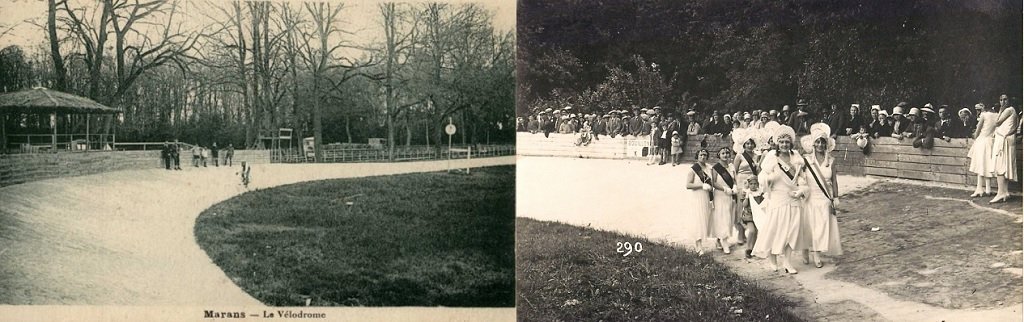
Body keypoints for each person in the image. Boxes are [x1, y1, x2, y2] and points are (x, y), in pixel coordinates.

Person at [753, 125, 809, 274]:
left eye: (787, 142)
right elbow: (762, 177)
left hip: (793, 198)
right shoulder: (772, 157)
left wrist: (801, 191)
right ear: (777, 143)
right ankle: (772, 258)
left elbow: (803, 179)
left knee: (793, 231)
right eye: (782, 142)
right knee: (776, 230)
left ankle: (788, 262)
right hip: (778, 198)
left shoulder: (796, 157)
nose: (785, 145)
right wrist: (769, 178)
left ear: (791, 143)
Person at [800, 124, 842, 268]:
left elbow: (834, 181)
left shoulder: (831, 161)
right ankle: (806, 249)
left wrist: (835, 197)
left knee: (822, 227)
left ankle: (816, 252)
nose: (820, 145)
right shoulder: (805, 160)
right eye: (817, 142)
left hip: (824, 198)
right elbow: (799, 178)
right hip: (809, 198)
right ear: (813, 143)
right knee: (809, 227)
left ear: (826, 144)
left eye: (822, 142)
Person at [685, 149, 717, 256]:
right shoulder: (693, 169)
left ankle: (708, 241)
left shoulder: (709, 168)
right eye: (701, 155)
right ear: (697, 156)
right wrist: (701, 186)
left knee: (705, 219)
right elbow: (688, 185)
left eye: (705, 155)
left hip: (707, 197)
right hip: (697, 197)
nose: (703, 157)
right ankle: (698, 245)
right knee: (698, 220)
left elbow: (712, 182)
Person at [991, 94, 1018, 203]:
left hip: (1004, 141)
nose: (1003, 101)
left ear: (1009, 100)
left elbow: (996, 122)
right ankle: (1005, 192)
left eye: (1005, 99)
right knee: (1003, 166)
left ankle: (1000, 193)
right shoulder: (1013, 111)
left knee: (1000, 166)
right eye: (1001, 100)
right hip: (1005, 139)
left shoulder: (1009, 110)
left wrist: (1001, 109)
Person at [711, 147, 738, 254]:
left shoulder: (731, 166)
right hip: (720, 195)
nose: (726, 155)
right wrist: (724, 189)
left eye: (727, 153)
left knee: (728, 217)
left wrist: (735, 186)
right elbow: (713, 182)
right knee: (722, 217)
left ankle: (720, 239)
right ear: (719, 155)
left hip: (730, 195)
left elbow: (734, 179)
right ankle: (724, 242)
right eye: (723, 153)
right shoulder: (715, 168)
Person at [969, 103, 998, 197]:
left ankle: (979, 189)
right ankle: (987, 189)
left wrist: (974, 134)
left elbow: (977, 133)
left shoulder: (984, 115)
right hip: (991, 141)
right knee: (987, 165)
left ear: (984, 106)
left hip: (982, 141)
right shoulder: (997, 115)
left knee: (981, 164)